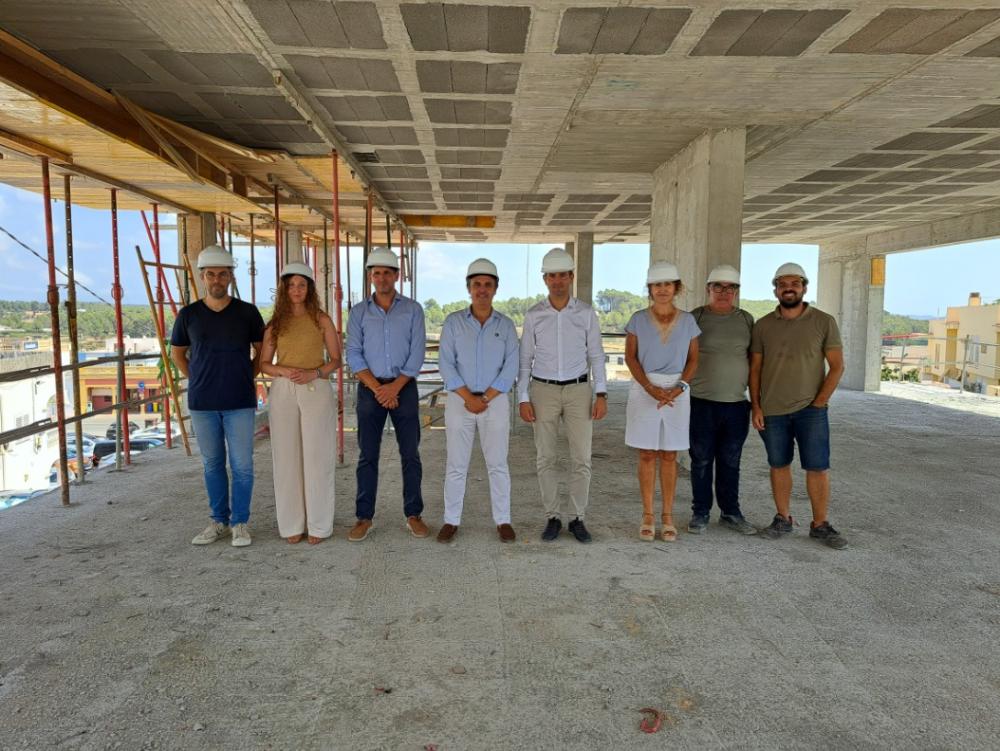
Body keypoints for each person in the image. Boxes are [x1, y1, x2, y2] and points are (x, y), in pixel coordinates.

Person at [171, 245, 265, 547]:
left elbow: (262, 353)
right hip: (203, 404)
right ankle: (218, 521)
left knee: (242, 466)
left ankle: (240, 522)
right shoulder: (188, 315)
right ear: (202, 277)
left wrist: (245, 376)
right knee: (212, 465)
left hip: (239, 401)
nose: (216, 279)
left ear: (230, 276)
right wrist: (197, 379)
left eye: (222, 274)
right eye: (210, 274)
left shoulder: (247, 312)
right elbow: (178, 354)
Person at [750, 262, 847, 549]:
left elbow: (838, 366)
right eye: (782, 284)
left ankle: (820, 525)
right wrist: (756, 406)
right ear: (776, 289)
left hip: (811, 412)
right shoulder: (763, 325)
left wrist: (819, 403)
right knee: (778, 465)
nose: (788, 288)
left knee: (817, 467)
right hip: (772, 410)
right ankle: (783, 518)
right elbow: (754, 369)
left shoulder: (824, 321)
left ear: (804, 288)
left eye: (794, 283)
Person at [518, 247, 607, 543]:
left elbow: (596, 354)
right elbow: (525, 358)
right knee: (546, 457)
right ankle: (552, 516)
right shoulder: (534, 315)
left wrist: (602, 393)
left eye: (562, 275)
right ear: (545, 279)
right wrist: (523, 397)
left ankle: (578, 518)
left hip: (579, 390)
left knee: (581, 457)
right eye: (551, 276)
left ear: (571, 277)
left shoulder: (585, 313)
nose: (557, 281)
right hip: (542, 390)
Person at [345, 247, 427, 542]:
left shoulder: (413, 310)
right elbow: (353, 353)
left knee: (410, 454)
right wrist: (379, 388)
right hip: (370, 390)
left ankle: (414, 514)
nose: (381, 278)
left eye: (387, 272)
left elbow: (416, 354)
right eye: (376, 273)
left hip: (403, 388)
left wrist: (394, 387)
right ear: (370, 276)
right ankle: (364, 517)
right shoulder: (358, 312)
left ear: (397, 275)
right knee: (368, 455)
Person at [437, 258, 519, 544]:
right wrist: (467, 397)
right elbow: (446, 363)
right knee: (456, 464)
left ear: (495, 288)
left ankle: (503, 520)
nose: (482, 290)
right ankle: (451, 520)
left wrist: (484, 397)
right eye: (476, 284)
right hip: (460, 400)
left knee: (497, 463)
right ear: (468, 288)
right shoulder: (454, 323)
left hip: (494, 401)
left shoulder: (506, 325)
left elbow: (511, 366)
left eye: (487, 284)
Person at [259, 263, 342, 545]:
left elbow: (335, 359)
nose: (296, 290)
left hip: (315, 387)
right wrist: (284, 371)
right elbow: (264, 364)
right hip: (284, 389)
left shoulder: (321, 319)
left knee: (318, 457)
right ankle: (291, 524)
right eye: (291, 285)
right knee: (286, 457)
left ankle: (319, 526)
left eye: (302, 285)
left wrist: (314, 373)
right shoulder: (276, 323)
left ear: (309, 288)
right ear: (284, 288)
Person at [624, 262, 700, 542]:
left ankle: (667, 516)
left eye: (668, 284)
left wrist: (679, 388)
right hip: (645, 387)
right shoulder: (637, 319)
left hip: (677, 390)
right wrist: (648, 387)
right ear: (650, 289)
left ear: (676, 288)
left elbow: (693, 359)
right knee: (646, 453)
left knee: (670, 455)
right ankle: (648, 515)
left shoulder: (689, 321)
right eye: (657, 285)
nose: (663, 289)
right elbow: (630, 356)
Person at [687, 265, 757, 536]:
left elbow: (754, 362)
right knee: (701, 460)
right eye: (718, 287)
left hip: (736, 404)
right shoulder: (696, 318)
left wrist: (757, 402)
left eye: (731, 288)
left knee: (730, 460)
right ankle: (700, 512)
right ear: (708, 289)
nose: (725, 292)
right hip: (700, 402)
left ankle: (730, 512)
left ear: (737, 291)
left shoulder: (746, 320)